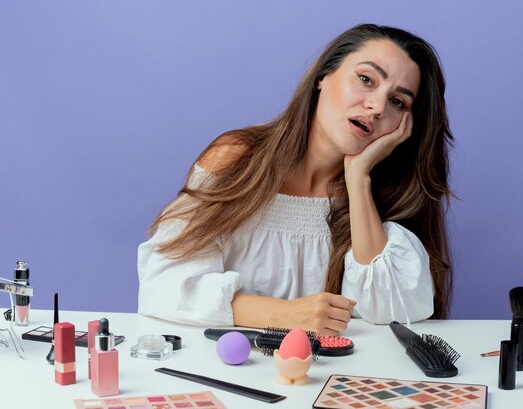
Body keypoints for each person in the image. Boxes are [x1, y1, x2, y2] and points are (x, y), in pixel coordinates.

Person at [137, 23, 454, 336]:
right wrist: (284, 315)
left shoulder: (388, 196)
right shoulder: (238, 160)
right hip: (233, 368)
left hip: (334, 377)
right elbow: (163, 284)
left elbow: (394, 311)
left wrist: (358, 180)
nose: (376, 107)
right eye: (366, 79)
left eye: (398, 102)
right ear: (322, 78)